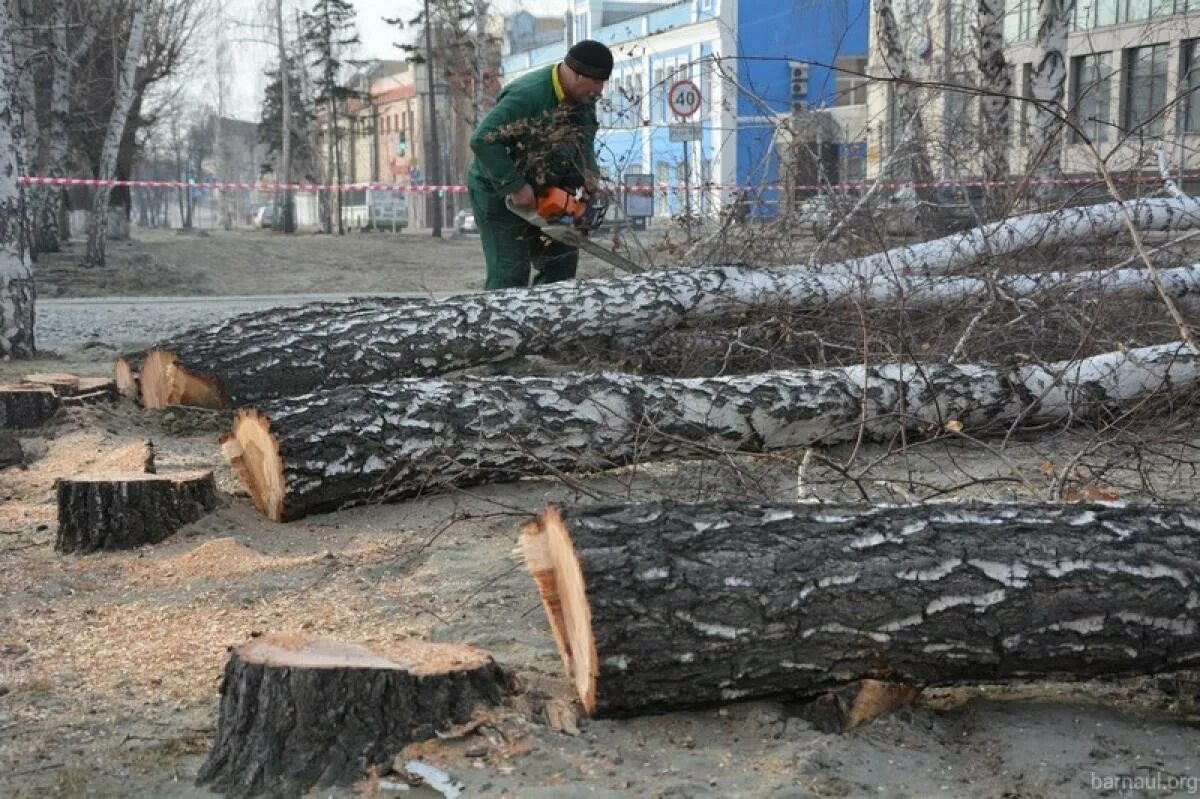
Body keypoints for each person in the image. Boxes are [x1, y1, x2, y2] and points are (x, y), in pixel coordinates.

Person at [467, 40, 613, 291]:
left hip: (547, 190)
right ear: (577, 74)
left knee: (561, 260)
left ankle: (547, 321)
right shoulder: (529, 94)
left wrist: (588, 174)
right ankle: (500, 326)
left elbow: (584, 140)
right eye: (597, 82)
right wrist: (514, 185)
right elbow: (482, 139)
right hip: (497, 192)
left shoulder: (584, 101)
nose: (600, 90)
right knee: (510, 272)